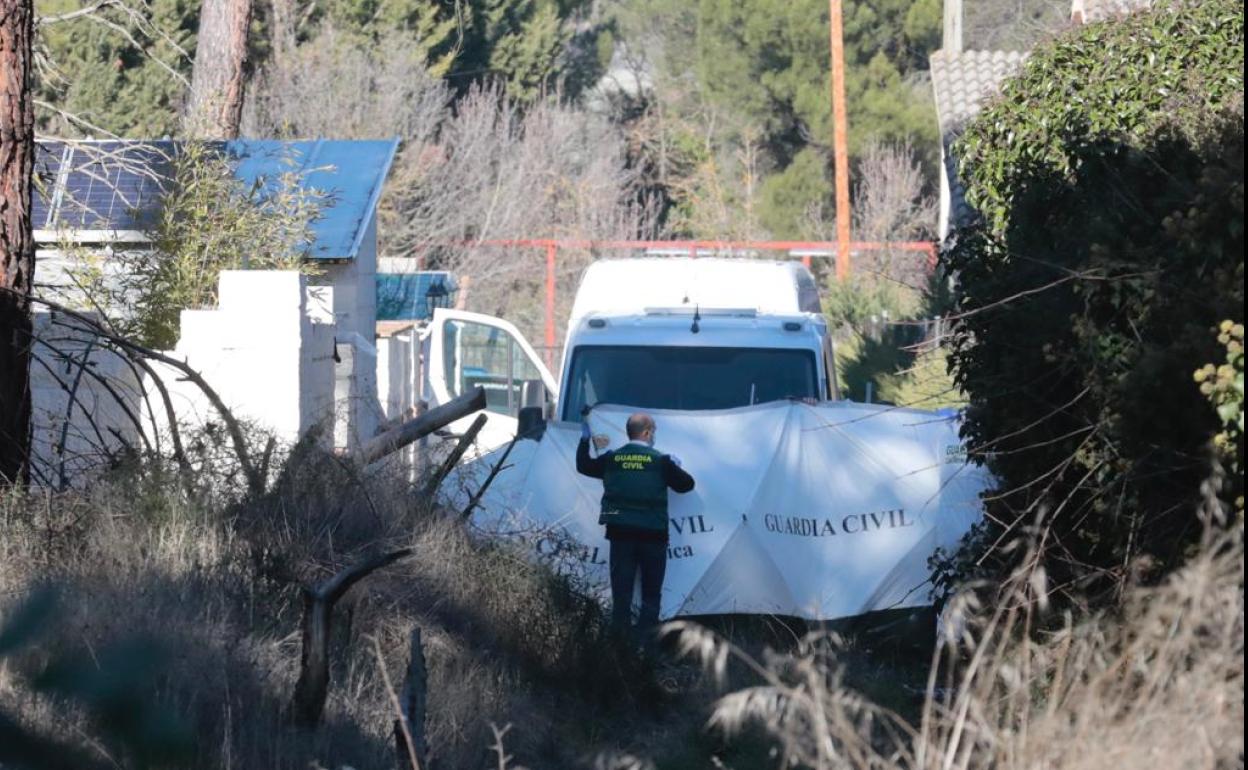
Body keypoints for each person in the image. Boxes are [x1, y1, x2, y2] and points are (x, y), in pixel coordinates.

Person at [576, 411, 695, 642]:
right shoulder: (661, 461)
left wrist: (584, 441)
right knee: (651, 596)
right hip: (653, 538)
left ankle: (619, 652)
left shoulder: (612, 459)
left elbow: (584, 466)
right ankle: (646, 653)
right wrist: (674, 466)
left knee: (622, 596)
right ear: (648, 432)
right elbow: (687, 485)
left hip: (620, 537)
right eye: (655, 431)